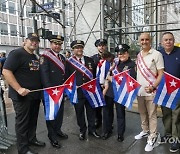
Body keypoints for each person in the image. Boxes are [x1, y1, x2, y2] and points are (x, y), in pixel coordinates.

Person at [2, 33, 45, 154]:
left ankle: (31, 139)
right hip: (21, 96)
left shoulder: (35, 56)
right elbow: (6, 71)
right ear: (25, 41)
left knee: (32, 119)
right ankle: (23, 149)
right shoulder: (17, 53)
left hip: (34, 95)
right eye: (32, 40)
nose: (34, 43)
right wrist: (19, 88)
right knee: (22, 122)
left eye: (36, 41)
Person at [135, 32, 164, 152]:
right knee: (142, 113)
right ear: (139, 41)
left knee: (152, 115)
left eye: (147, 39)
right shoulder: (139, 55)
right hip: (140, 91)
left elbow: (161, 73)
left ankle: (153, 137)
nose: (144, 41)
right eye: (142, 40)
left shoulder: (157, 54)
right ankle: (145, 131)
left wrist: (153, 86)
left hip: (151, 91)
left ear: (150, 40)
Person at [66, 40, 100, 140]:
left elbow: (94, 75)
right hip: (78, 92)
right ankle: (82, 130)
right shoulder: (69, 63)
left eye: (81, 47)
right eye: (77, 47)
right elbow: (67, 78)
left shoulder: (90, 60)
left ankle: (92, 130)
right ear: (73, 50)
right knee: (79, 112)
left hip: (89, 91)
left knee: (91, 112)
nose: (79, 49)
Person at [39, 35, 68, 149]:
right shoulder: (45, 57)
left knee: (59, 113)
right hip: (50, 92)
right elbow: (44, 75)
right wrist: (51, 89)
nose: (57, 46)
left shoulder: (62, 57)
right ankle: (52, 136)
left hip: (60, 91)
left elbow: (63, 74)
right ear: (51, 44)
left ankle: (58, 130)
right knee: (51, 114)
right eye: (55, 43)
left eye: (59, 44)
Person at [159, 32, 180, 153]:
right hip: (163, 89)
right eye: (166, 40)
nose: (168, 42)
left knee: (176, 114)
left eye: (170, 39)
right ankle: (167, 134)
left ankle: (176, 138)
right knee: (166, 113)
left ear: (173, 40)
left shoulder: (179, 51)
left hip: (177, 88)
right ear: (162, 42)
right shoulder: (158, 54)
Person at [91, 39, 108, 129]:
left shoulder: (111, 57)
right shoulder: (93, 58)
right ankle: (98, 120)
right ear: (97, 47)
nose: (101, 47)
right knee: (97, 105)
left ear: (106, 46)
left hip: (108, 85)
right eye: (99, 45)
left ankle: (108, 123)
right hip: (96, 85)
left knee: (107, 106)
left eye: (103, 45)